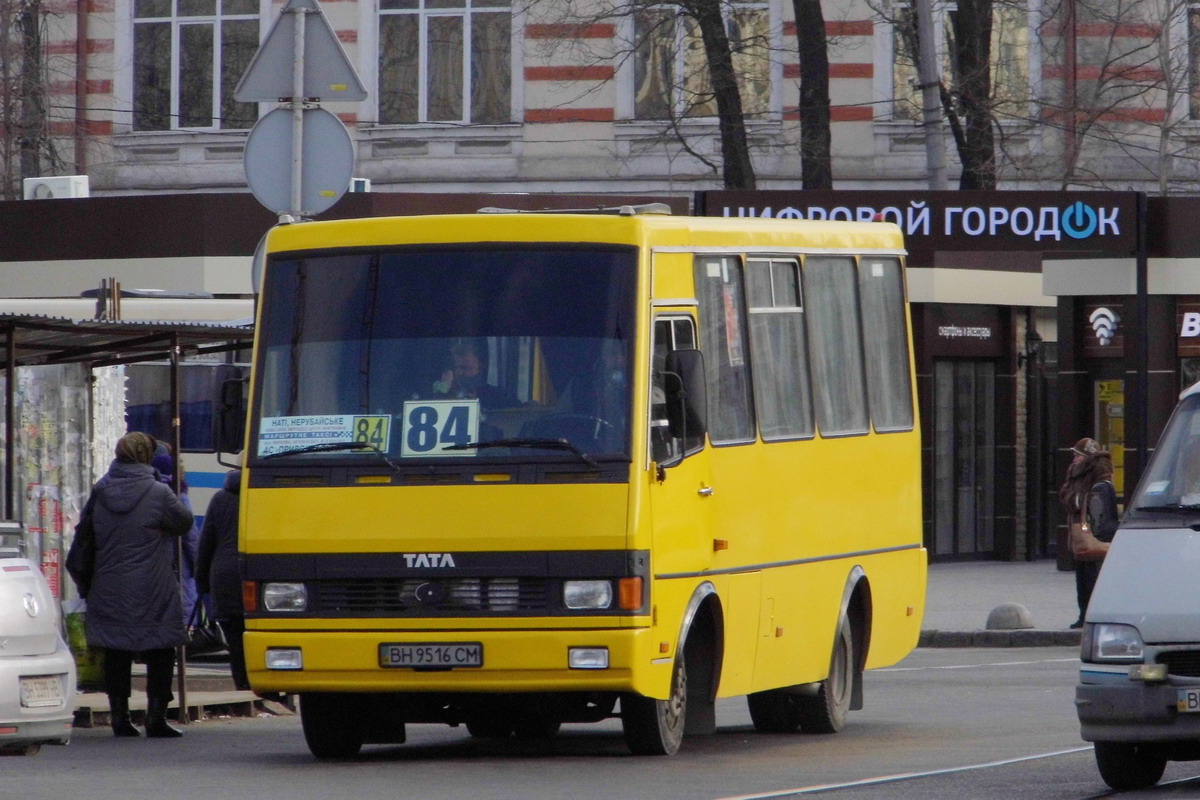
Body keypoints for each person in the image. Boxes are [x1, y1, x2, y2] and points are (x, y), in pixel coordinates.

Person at [76, 431, 194, 738]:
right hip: (153, 585)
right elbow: (184, 522)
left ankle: (120, 716)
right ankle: (155, 716)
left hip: (109, 584)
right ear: (146, 456)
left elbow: (84, 536)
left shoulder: (101, 491)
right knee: (160, 649)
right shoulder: (158, 492)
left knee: (116, 651)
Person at [195, 468, 249, 691]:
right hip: (256, 575)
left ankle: (243, 686)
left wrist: (201, 583)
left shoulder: (219, 498)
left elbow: (206, 543)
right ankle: (267, 687)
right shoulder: (262, 494)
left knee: (235, 641)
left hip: (224, 577)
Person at [1059, 437, 1120, 629]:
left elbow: (1095, 501)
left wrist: (1078, 501)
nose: (1074, 458)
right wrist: (1075, 500)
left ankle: (1094, 615)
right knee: (1081, 574)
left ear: (1086, 456)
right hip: (1080, 524)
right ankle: (1083, 614)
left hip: (1090, 526)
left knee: (1092, 571)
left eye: (1077, 455)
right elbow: (1065, 494)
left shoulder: (1100, 473)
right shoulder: (1074, 472)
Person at [151, 449, 202, 629]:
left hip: (157, 562)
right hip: (178, 562)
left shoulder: (151, 492)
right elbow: (191, 537)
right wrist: (198, 566)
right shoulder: (179, 494)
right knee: (183, 605)